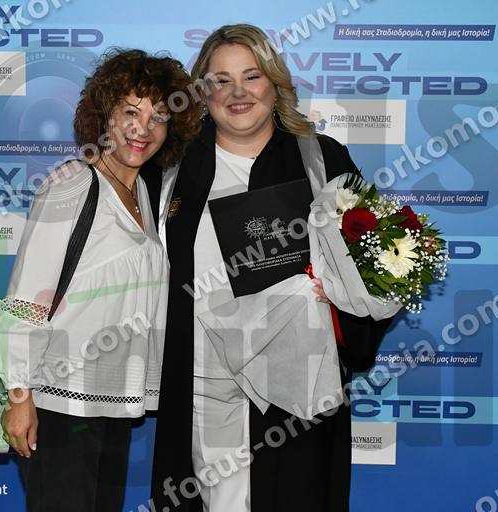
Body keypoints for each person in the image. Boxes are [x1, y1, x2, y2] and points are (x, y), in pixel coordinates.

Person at [150, 24, 394, 512]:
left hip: (296, 384)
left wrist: (340, 292)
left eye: (252, 76)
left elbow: (378, 262)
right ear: (202, 92)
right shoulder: (171, 167)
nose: (237, 93)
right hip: (202, 384)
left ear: (275, 83)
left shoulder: (321, 159)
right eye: (221, 80)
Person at [0, 48, 202, 512]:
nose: (143, 128)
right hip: (58, 404)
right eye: (130, 112)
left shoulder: (145, 193)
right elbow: (25, 298)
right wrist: (20, 397)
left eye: (158, 116)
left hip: (111, 402)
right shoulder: (72, 185)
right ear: (105, 116)